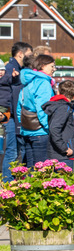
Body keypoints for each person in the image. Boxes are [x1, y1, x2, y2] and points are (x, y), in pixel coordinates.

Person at [18, 54, 56, 167]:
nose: (54, 69)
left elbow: (20, 106)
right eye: (52, 66)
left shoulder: (28, 81)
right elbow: (43, 109)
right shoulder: (43, 83)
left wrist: (24, 123)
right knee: (42, 169)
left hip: (27, 130)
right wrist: (49, 128)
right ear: (43, 66)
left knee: (30, 168)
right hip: (40, 131)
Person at [0, 42, 31, 179]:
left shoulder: (14, 69)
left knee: (12, 151)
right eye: (29, 54)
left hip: (10, 115)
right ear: (20, 54)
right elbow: (12, 96)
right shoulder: (10, 70)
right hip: (9, 116)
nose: (31, 58)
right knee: (11, 152)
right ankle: (7, 183)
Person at [43, 80, 74, 167]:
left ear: (58, 92)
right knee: (63, 179)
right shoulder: (63, 107)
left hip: (58, 153)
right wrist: (64, 148)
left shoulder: (59, 106)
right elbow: (54, 128)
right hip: (62, 155)